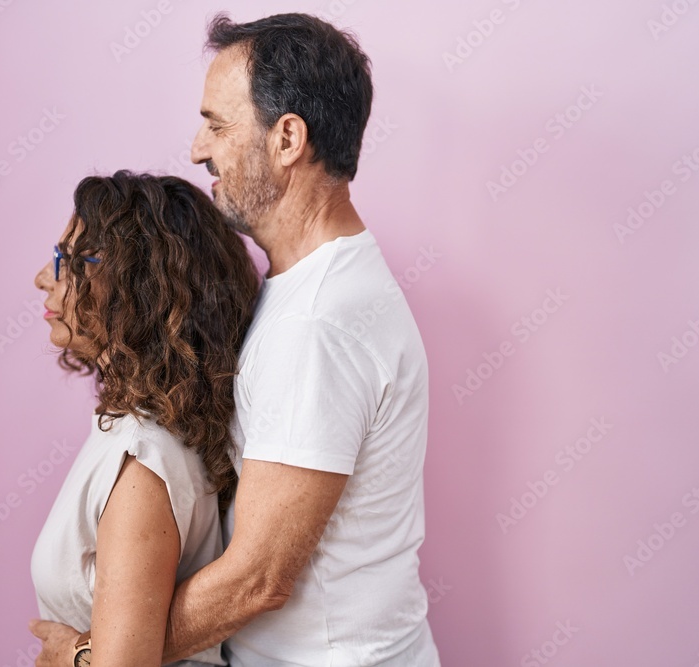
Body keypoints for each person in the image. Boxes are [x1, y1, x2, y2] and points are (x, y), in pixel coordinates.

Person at [31, 12, 441, 666]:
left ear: (287, 138)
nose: (198, 149)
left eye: (218, 125)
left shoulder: (320, 323)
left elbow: (258, 578)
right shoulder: (303, 289)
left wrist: (95, 654)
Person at [30, 170, 260, 666]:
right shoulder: (139, 430)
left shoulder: (144, 460)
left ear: (139, 286)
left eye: (70, 262)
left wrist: (70, 658)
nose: (44, 279)